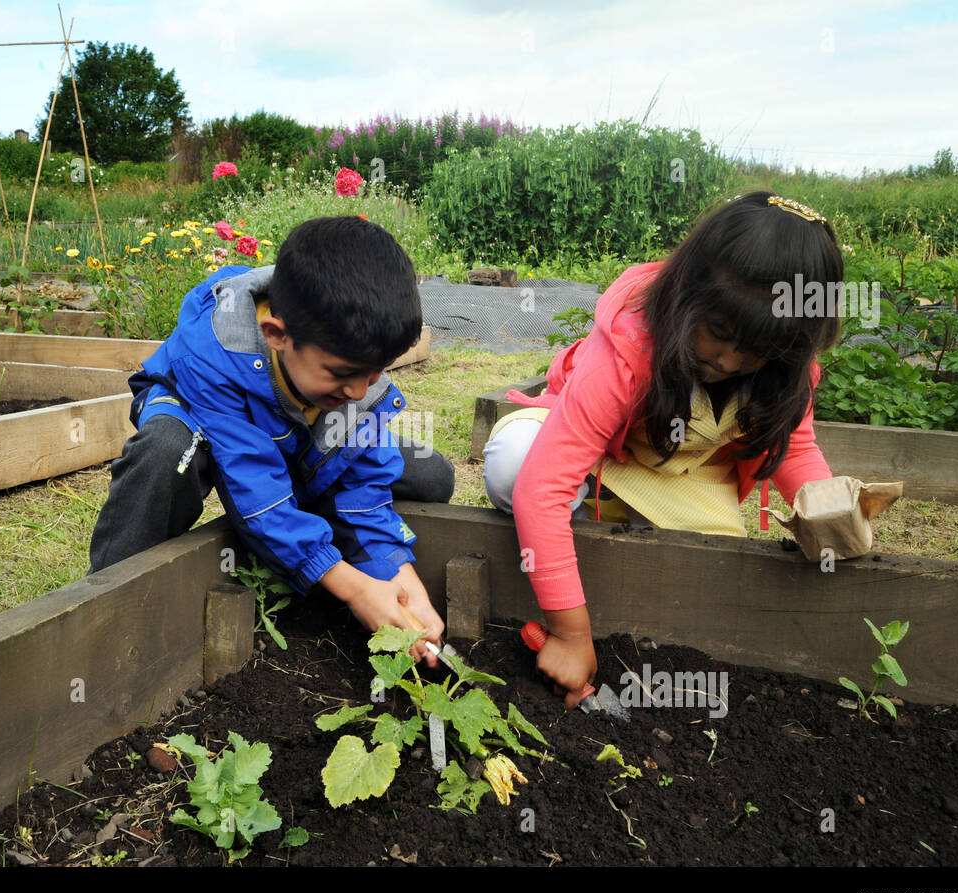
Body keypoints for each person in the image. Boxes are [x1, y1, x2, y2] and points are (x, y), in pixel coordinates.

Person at [484, 191, 844, 706]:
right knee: (515, 466)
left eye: (756, 350)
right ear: (685, 295)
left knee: (705, 578)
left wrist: (831, 511)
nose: (728, 360)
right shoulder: (631, 345)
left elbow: (797, 448)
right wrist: (570, 632)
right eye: (717, 333)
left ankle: (592, 539)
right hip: (593, 453)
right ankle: (572, 550)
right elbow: (543, 486)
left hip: (679, 474)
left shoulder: (788, 374)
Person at [89, 215, 454, 659]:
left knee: (431, 476)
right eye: (343, 375)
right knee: (166, 453)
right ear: (277, 336)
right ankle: (103, 610)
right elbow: (258, 492)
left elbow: (365, 481)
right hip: (200, 419)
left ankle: (308, 524)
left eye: (375, 373)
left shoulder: (347, 368)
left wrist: (397, 573)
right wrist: (353, 588)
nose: (360, 391)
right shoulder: (213, 357)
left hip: (289, 435)